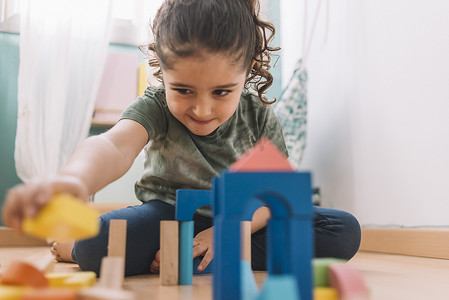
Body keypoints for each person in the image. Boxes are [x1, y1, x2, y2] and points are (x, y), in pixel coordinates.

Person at [2, 0, 361, 276]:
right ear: (161, 64)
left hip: (245, 222)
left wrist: (232, 231)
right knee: (96, 245)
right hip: (168, 217)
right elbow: (114, 145)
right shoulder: (155, 106)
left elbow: (275, 196)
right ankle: (164, 252)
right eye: (184, 90)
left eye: (221, 92)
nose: (202, 110)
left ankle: (213, 253)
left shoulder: (259, 117)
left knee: (343, 230)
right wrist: (74, 179)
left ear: (249, 67)